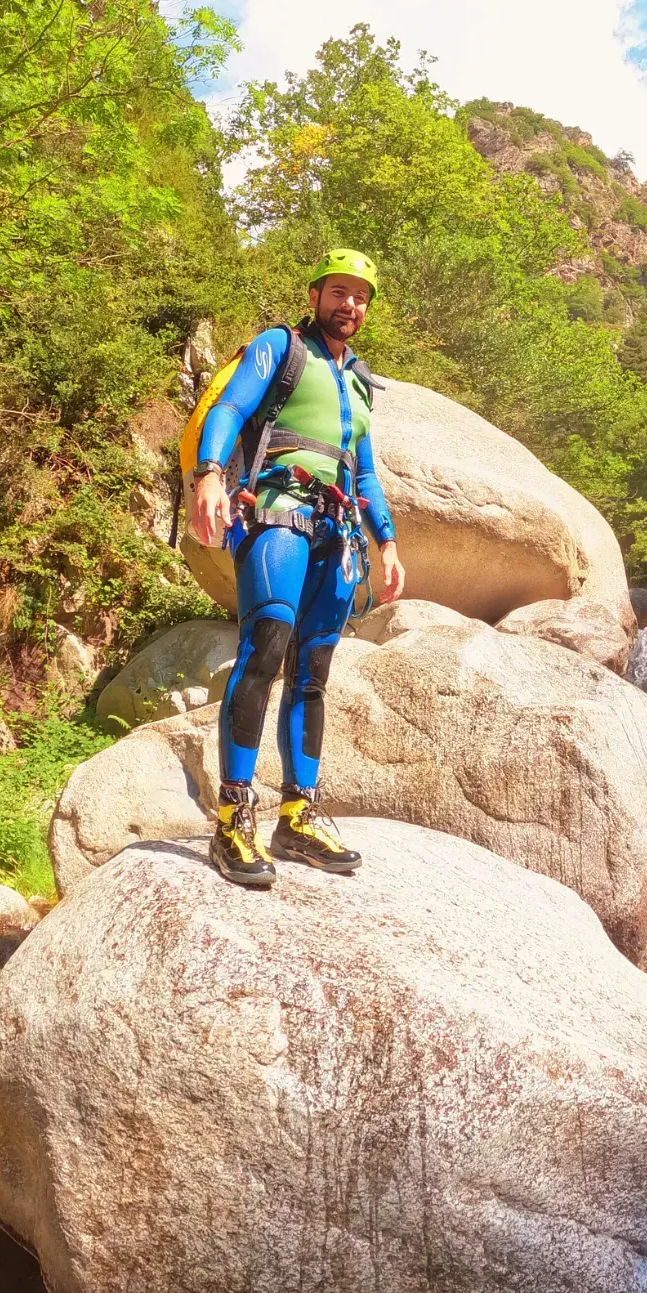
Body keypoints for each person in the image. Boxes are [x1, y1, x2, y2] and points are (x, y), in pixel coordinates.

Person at [188, 251, 405, 888]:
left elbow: (363, 472)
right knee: (265, 652)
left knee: (313, 673)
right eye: (340, 292)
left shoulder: (361, 383)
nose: (351, 305)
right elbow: (228, 409)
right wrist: (209, 475)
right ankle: (232, 818)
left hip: (336, 538)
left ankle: (298, 815)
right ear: (316, 295)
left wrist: (387, 543)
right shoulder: (279, 347)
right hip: (276, 517)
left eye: (361, 297)